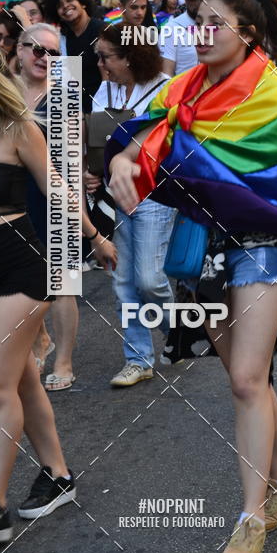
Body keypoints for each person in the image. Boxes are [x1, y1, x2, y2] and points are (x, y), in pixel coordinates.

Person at [107, 0, 277, 553]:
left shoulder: (272, 97)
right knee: (251, 381)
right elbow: (143, 134)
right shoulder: (182, 90)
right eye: (197, 21)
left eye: (215, 22)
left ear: (248, 33)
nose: (202, 32)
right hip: (200, 252)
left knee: (244, 379)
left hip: (263, 251)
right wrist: (118, 157)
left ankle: (250, 517)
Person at [0, 41, 116, 543]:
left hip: (21, 265)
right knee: (20, 380)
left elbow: (57, 188)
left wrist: (95, 236)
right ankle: (57, 474)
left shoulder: (17, 129)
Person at [87, 24, 173, 387]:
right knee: (124, 283)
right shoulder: (103, 89)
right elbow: (94, 139)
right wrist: (92, 173)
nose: (100, 64)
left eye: (106, 57)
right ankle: (138, 359)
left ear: (129, 57)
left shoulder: (165, 89)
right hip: (116, 198)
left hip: (155, 194)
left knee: (149, 280)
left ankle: (182, 326)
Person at [17, 25, 81, 391]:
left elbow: (73, 154)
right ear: (20, 51)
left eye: (53, 54)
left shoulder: (64, 94)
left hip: (56, 192)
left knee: (62, 282)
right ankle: (40, 339)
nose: (44, 58)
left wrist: (77, 198)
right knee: (23, 278)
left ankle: (65, 359)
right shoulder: (2, 91)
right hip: (10, 197)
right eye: (36, 50)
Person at [42, 0, 105, 113]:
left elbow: (108, 78)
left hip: (101, 109)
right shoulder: (62, 37)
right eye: (59, 6)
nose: (65, 6)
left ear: (83, 2)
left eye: (70, 0)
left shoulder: (101, 30)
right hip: (74, 111)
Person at [159, 0, 200, 77]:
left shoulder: (217, 26)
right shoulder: (171, 28)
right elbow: (166, 74)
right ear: (186, 0)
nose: (198, 2)